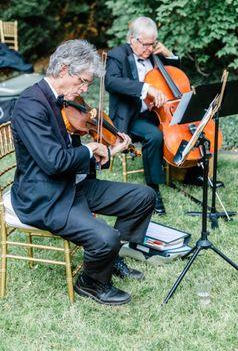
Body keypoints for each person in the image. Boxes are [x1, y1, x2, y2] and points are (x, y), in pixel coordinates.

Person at [11, 39, 156, 306]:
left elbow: (72, 158)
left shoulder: (64, 102)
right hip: (45, 197)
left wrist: (106, 154)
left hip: (73, 186)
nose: (85, 89)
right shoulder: (30, 105)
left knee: (144, 197)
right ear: (63, 70)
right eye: (83, 81)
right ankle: (91, 283)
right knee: (105, 236)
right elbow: (54, 162)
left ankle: (109, 258)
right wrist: (90, 149)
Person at [105, 16, 180, 215]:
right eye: (146, 45)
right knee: (154, 136)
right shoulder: (117, 55)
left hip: (156, 112)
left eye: (152, 44)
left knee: (184, 124)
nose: (149, 49)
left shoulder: (155, 54)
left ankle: (190, 172)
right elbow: (111, 82)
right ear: (133, 40)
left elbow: (176, 76)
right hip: (131, 116)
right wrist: (146, 88)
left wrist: (167, 53)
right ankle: (153, 191)